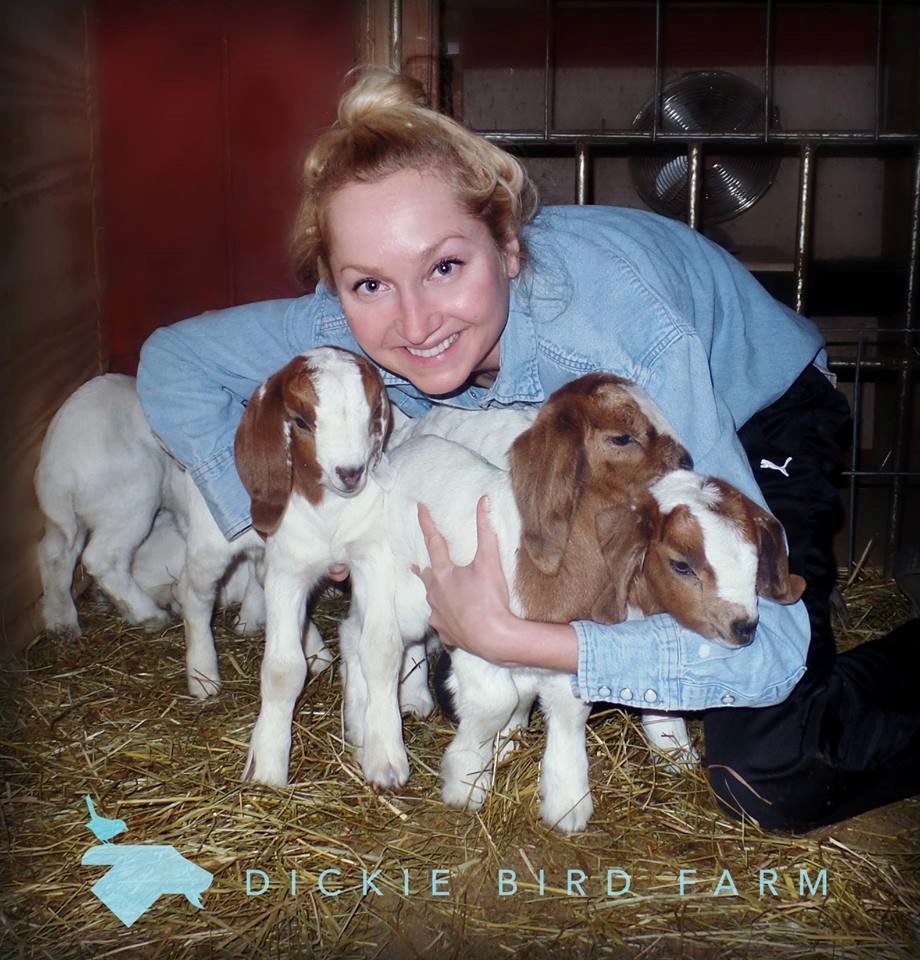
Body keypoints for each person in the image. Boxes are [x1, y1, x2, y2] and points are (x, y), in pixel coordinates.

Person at [137, 67, 920, 833]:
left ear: (507, 246)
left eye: (445, 266)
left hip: (727, 425)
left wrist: (524, 639)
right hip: (559, 468)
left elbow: (765, 656)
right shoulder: (337, 329)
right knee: (461, 691)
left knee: (771, 767)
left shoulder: (632, 344)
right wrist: (280, 516)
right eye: (368, 284)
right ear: (334, 288)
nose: (413, 324)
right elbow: (174, 363)